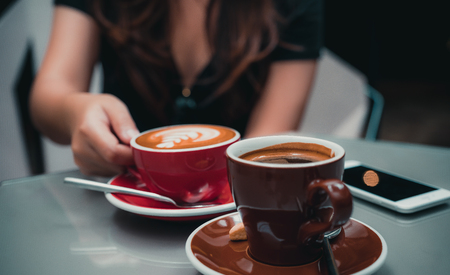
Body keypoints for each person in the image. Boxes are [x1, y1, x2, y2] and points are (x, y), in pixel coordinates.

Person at [30, 0, 323, 177]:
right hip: (118, 210)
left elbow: (264, 147)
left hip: (228, 212)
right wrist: (75, 112)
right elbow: (48, 96)